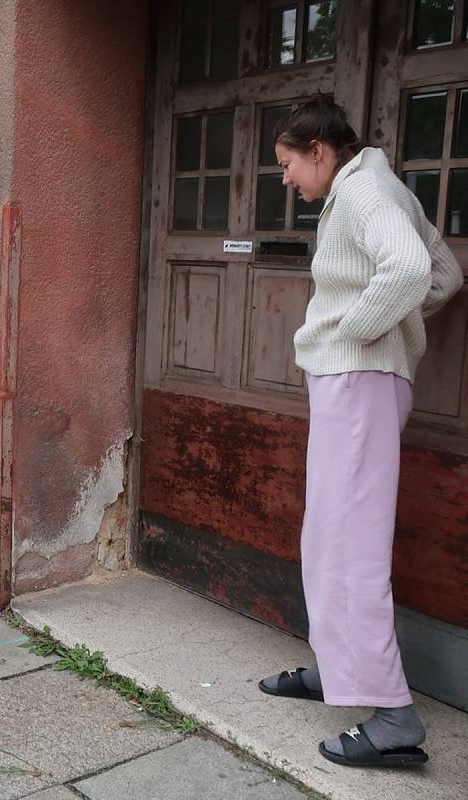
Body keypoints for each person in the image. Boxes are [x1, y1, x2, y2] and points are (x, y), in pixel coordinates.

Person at [257, 96, 463, 767]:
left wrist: (357, 331)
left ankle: (396, 717)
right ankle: (336, 670)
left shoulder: (366, 189)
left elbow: (409, 272)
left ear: (319, 150)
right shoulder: (373, 186)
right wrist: (390, 330)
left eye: (289, 164)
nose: (286, 178)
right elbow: (446, 274)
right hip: (362, 381)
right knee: (327, 537)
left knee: (351, 546)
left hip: (360, 379)